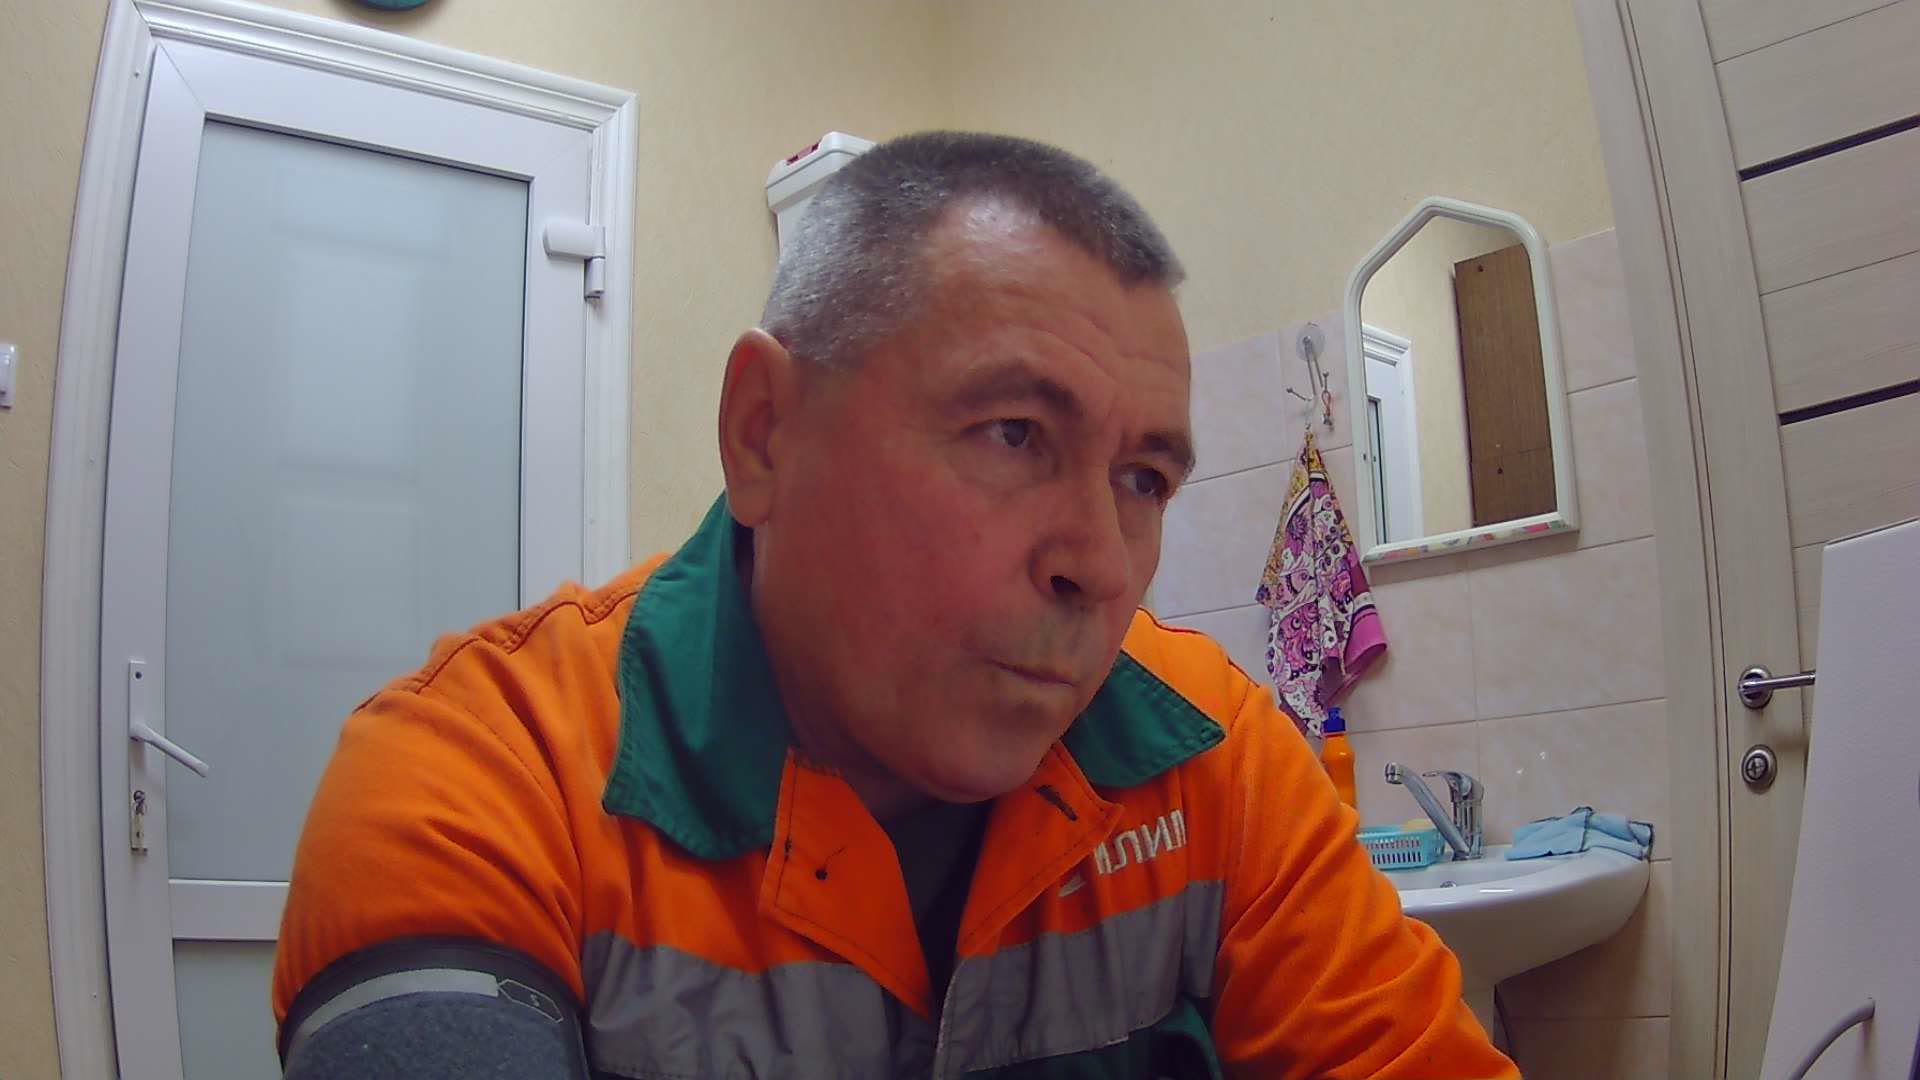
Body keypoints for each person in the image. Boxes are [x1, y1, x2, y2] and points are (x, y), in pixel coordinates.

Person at [272, 131, 1517, 1079]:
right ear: (764, 434)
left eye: (1143, 478)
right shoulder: (488, 775)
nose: (1099, 562)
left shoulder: (1214, 762)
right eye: (1014, 433)